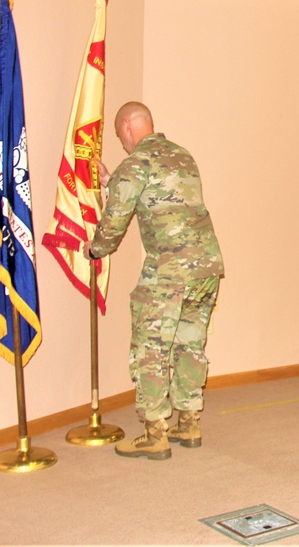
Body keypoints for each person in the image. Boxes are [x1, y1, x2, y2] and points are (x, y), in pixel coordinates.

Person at [85, 101, 224, 460]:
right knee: (189, 344)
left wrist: (96, 249)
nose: (123, 144)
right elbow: (159, 191)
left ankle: (155, 432)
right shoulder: (182, 156)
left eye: (120, 137)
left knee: (150, 348)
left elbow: (116, 218)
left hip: (169, 269)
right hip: (206, 267)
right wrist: (112, 179)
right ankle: (189, 422)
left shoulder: (135, 164)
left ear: (129, 128)